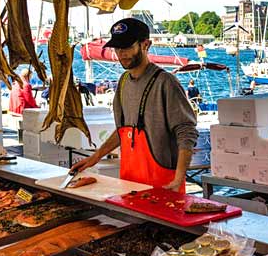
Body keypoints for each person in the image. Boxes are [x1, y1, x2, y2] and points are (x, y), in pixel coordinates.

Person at [71, 18, 198, 192]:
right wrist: (96, 157)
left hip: (164, 185)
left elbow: (186, 132)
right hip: (129, 183)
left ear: (146, 44)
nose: (121, 53)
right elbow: (124, 131)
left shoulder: (165, 83)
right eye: (117, 47)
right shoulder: (123, 82)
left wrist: (178, 179)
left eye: (127, 47)